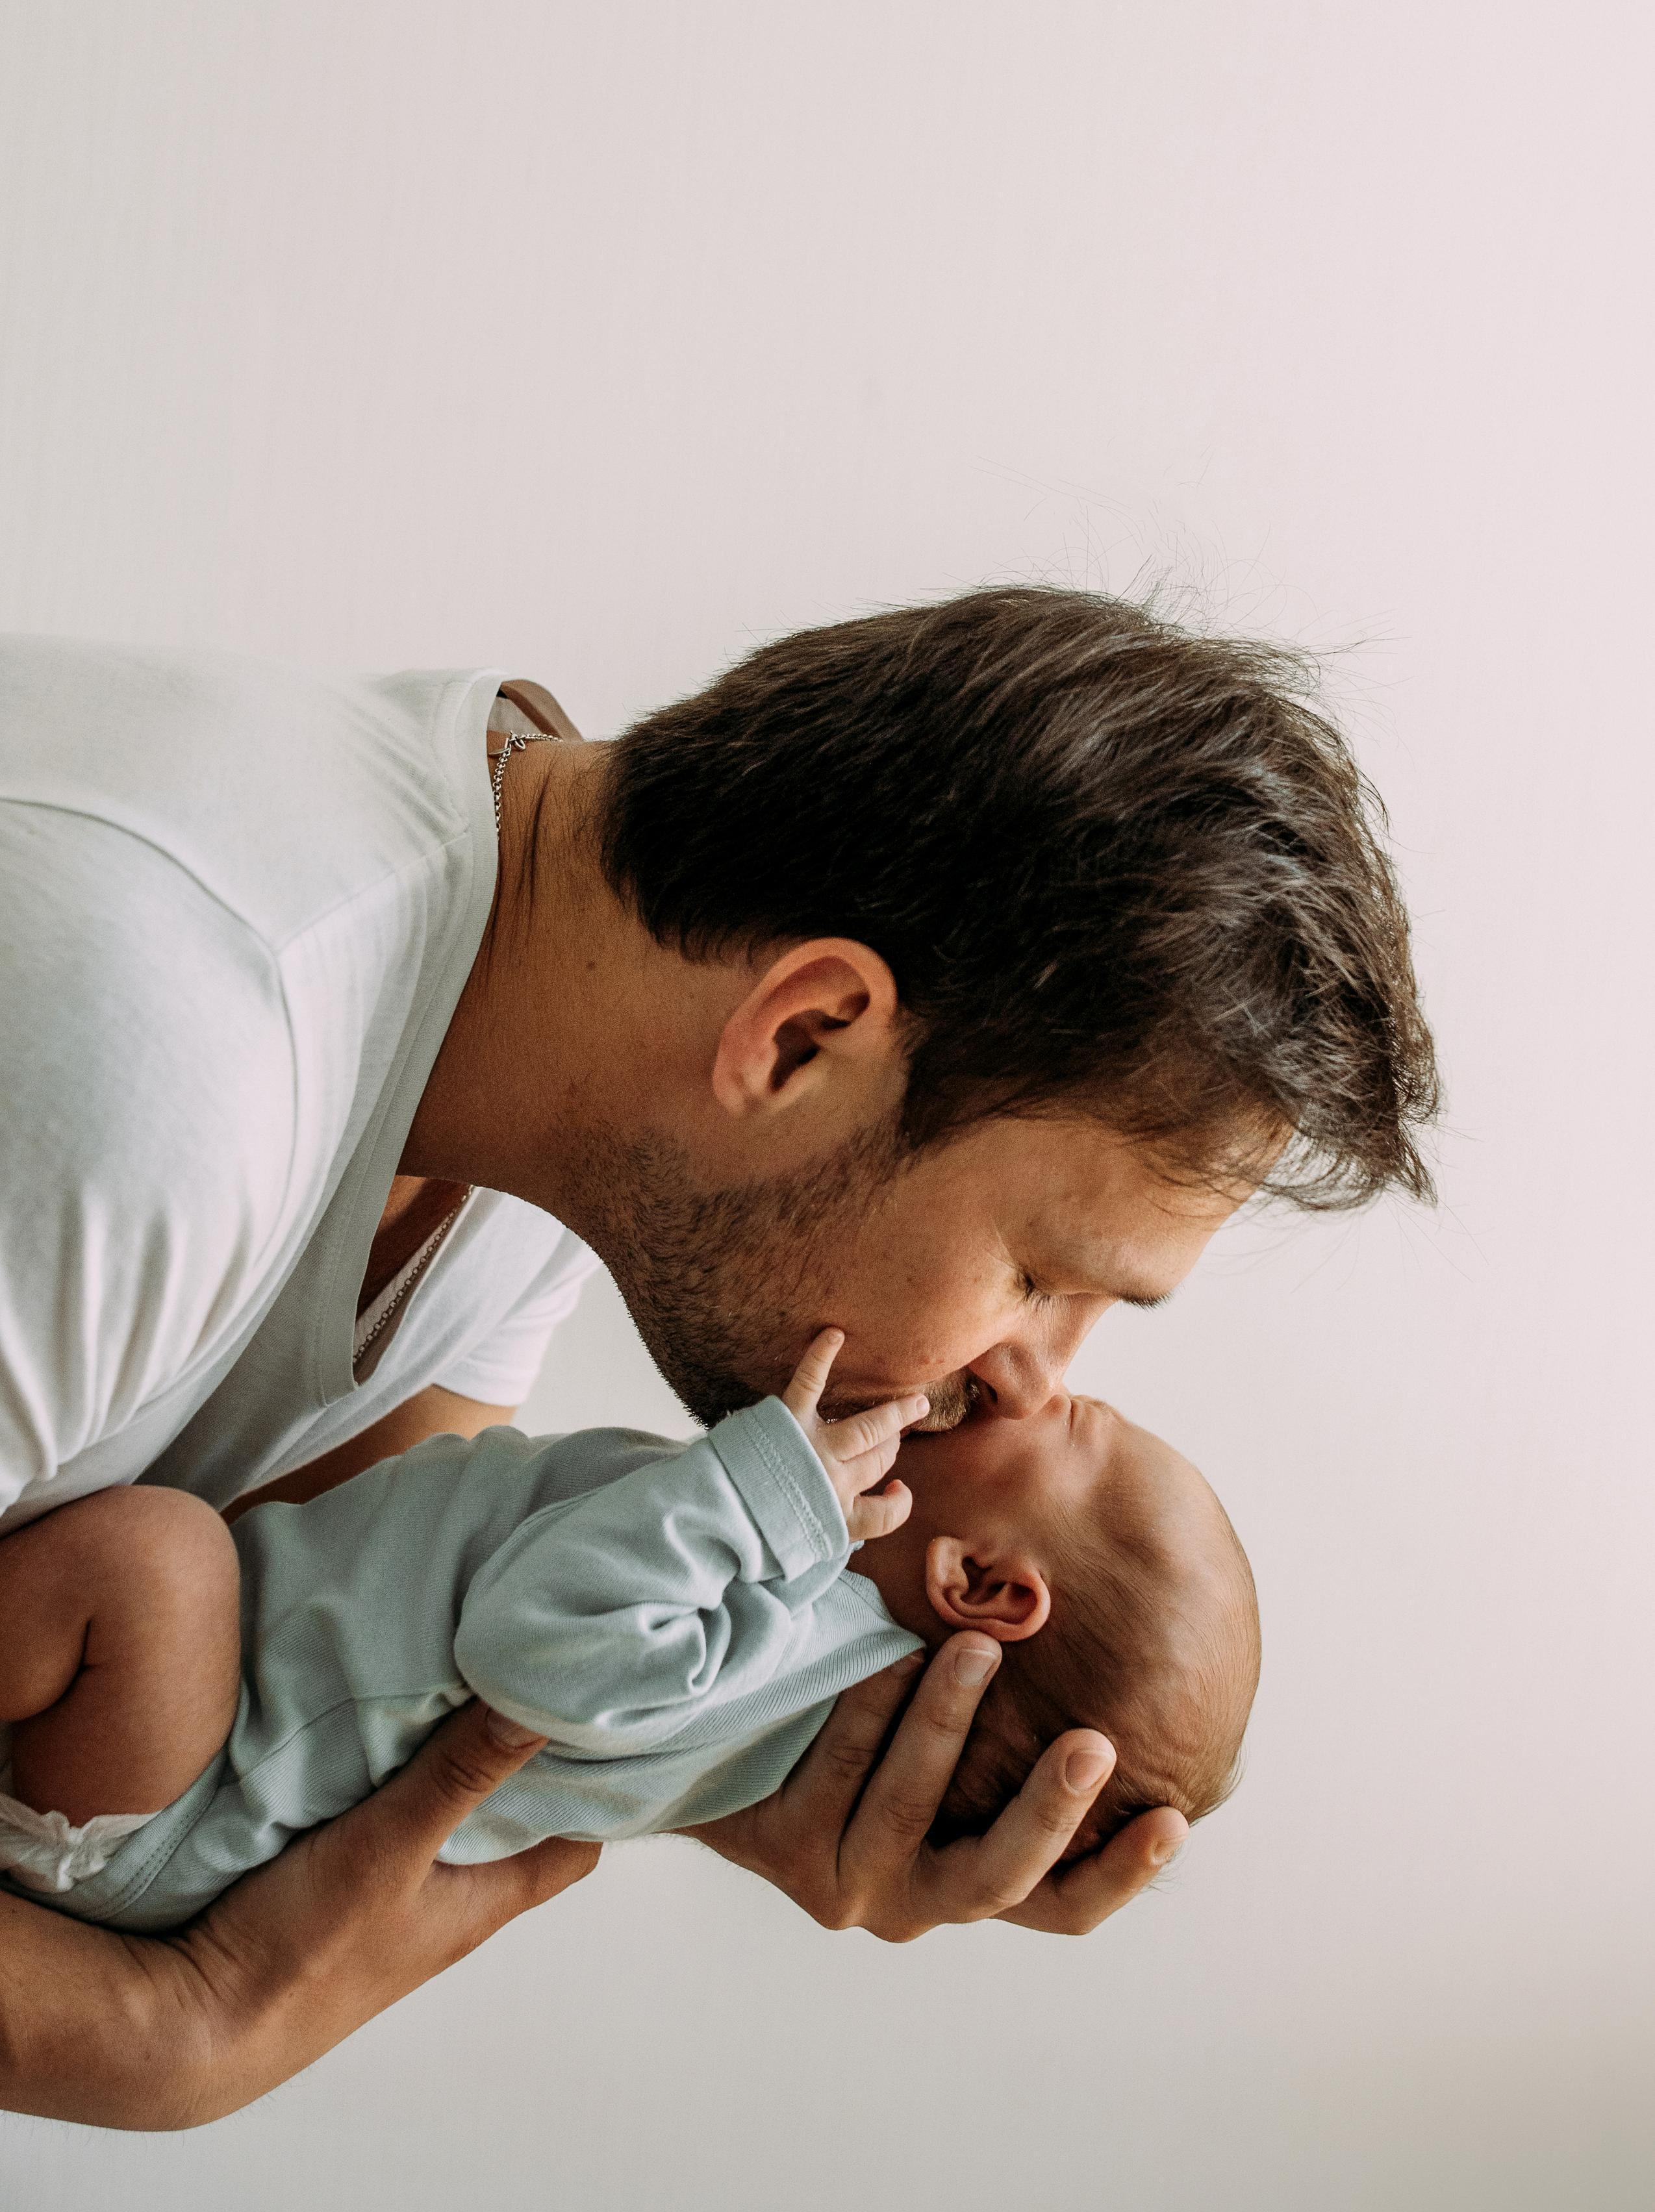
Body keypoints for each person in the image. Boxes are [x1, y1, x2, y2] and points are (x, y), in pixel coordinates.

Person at [0, 586, 1437, 2127]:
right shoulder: (148, 1083)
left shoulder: (537, 1110)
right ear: (803, 1036)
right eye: (1037, 1274)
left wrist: (729, 1767)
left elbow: (346, 1628)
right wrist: (160, 2029)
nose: (1021, 1374)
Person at [0, 1331, 1257, 1926]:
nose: (1031, 1369)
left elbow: (529, 1654)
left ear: (982, 1586)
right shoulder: (791, 1609)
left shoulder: (782, 1655)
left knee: (153, 1563)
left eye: (1073, 1424)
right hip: (213, 1757)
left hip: (186, 1802)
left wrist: (763, 1488)